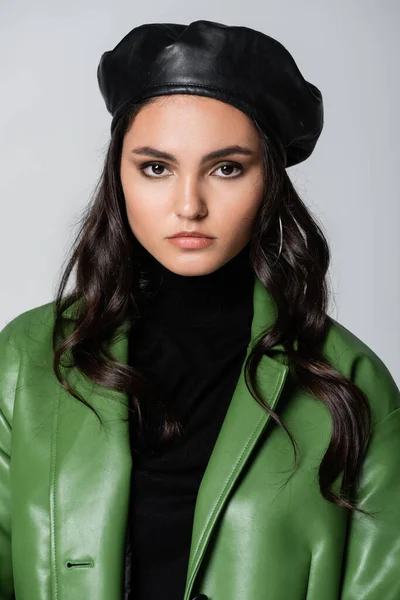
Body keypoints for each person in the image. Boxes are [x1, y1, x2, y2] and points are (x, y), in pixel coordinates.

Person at [0, 19, 399, 600]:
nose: (190, 205)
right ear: (119, 175)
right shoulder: (24, 362)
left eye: (227, 168)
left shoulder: (350, 384)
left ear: (271, 182)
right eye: (156, 167)